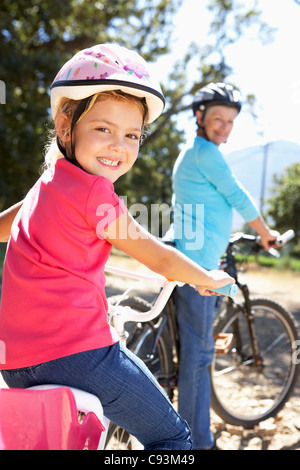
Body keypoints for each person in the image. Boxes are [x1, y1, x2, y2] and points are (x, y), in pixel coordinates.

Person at [0, 46, 235, 451]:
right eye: (104, 129)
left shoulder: (46, 183)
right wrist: (207, 277)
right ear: (65, 124)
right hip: (79, 354)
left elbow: (6, 225)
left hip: (16, 362)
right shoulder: (95, 194)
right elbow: (157, 255)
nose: (118, 146)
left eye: (131, 135)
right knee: (173, 437)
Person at [168, 82, 279, 449]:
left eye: (230, 121)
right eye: (218, 119)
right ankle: (198, 443)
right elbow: (237, 195)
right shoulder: (205, 153)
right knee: (198, 356)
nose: (224, 127)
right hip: (198, 266)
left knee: (196, 349)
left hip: (191, 256)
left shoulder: (195, 153)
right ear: (199, 117)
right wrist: (265, 233)